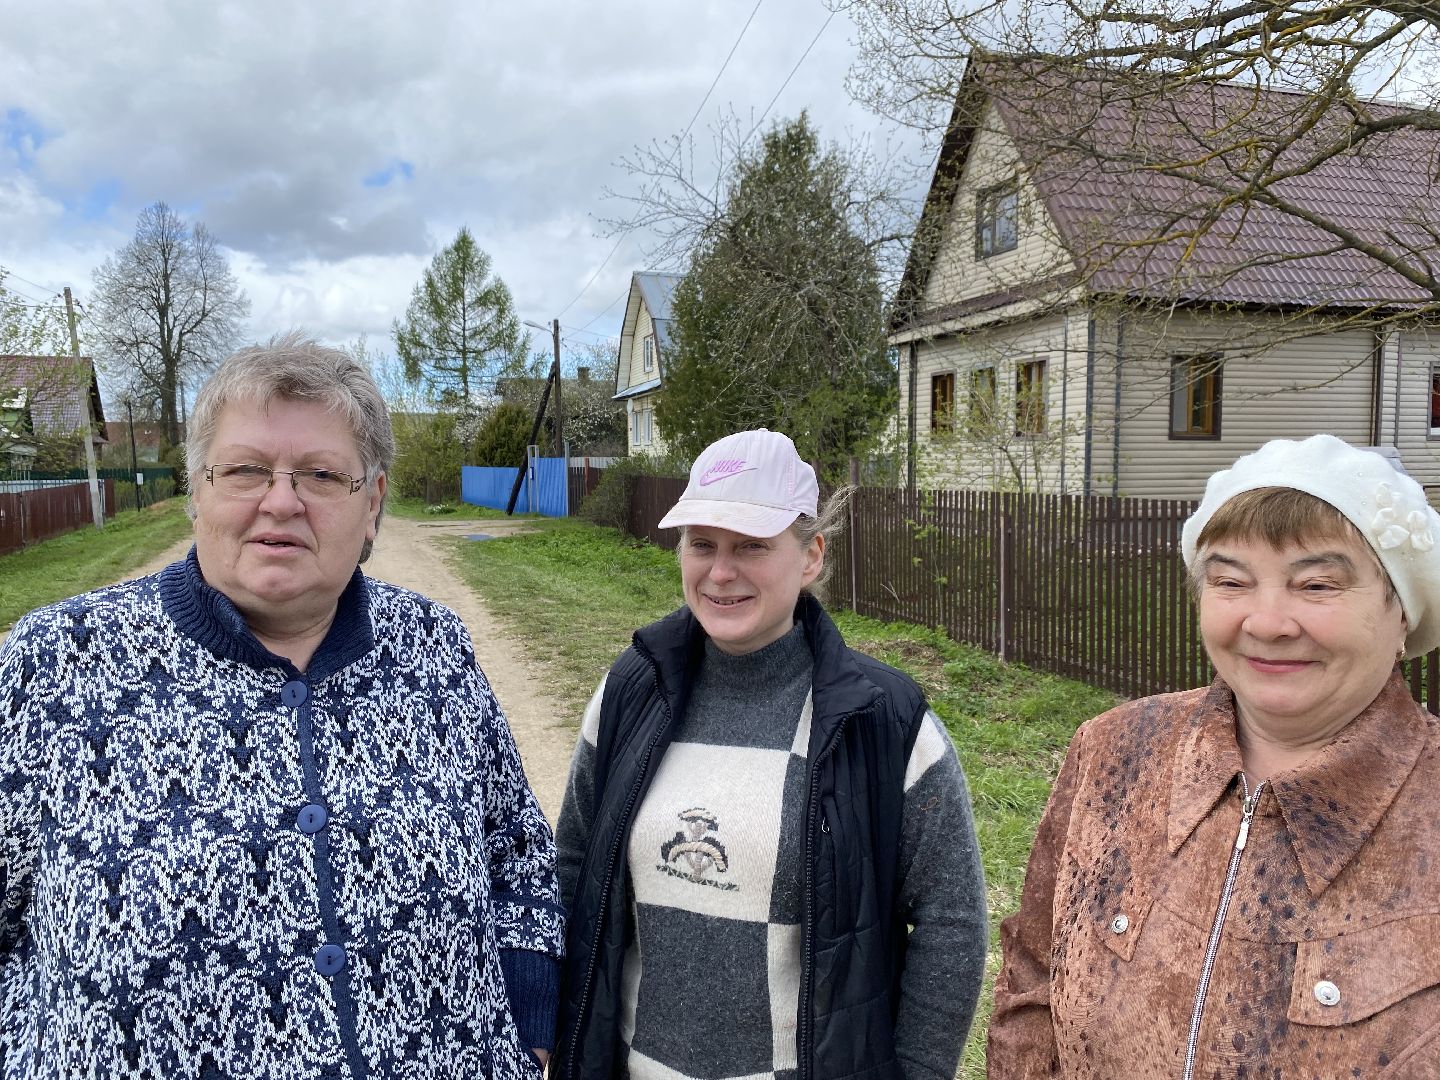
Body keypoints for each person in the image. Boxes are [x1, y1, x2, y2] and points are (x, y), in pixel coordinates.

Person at [0, 333, 562, 1079]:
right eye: (245, 470)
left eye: (323, 475)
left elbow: (518, 849)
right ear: (196, 491)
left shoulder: (432, 645)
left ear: (373, 505)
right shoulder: (55, 663)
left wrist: (526, 1027)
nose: (281, 500)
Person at [988, 433, 1440, 1077]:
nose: (1267, 622)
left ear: (1402, 611)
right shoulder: (1115, 750)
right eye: (1232, 580)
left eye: (1316, 584)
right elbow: (1034, 976)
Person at [552, 429, 988, 1080]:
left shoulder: (884, 724)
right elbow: (573, 869)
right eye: (702, 544)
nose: (720, 572)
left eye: (751, 546)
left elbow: (951, 922)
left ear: (811, 555)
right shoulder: (628, 694)